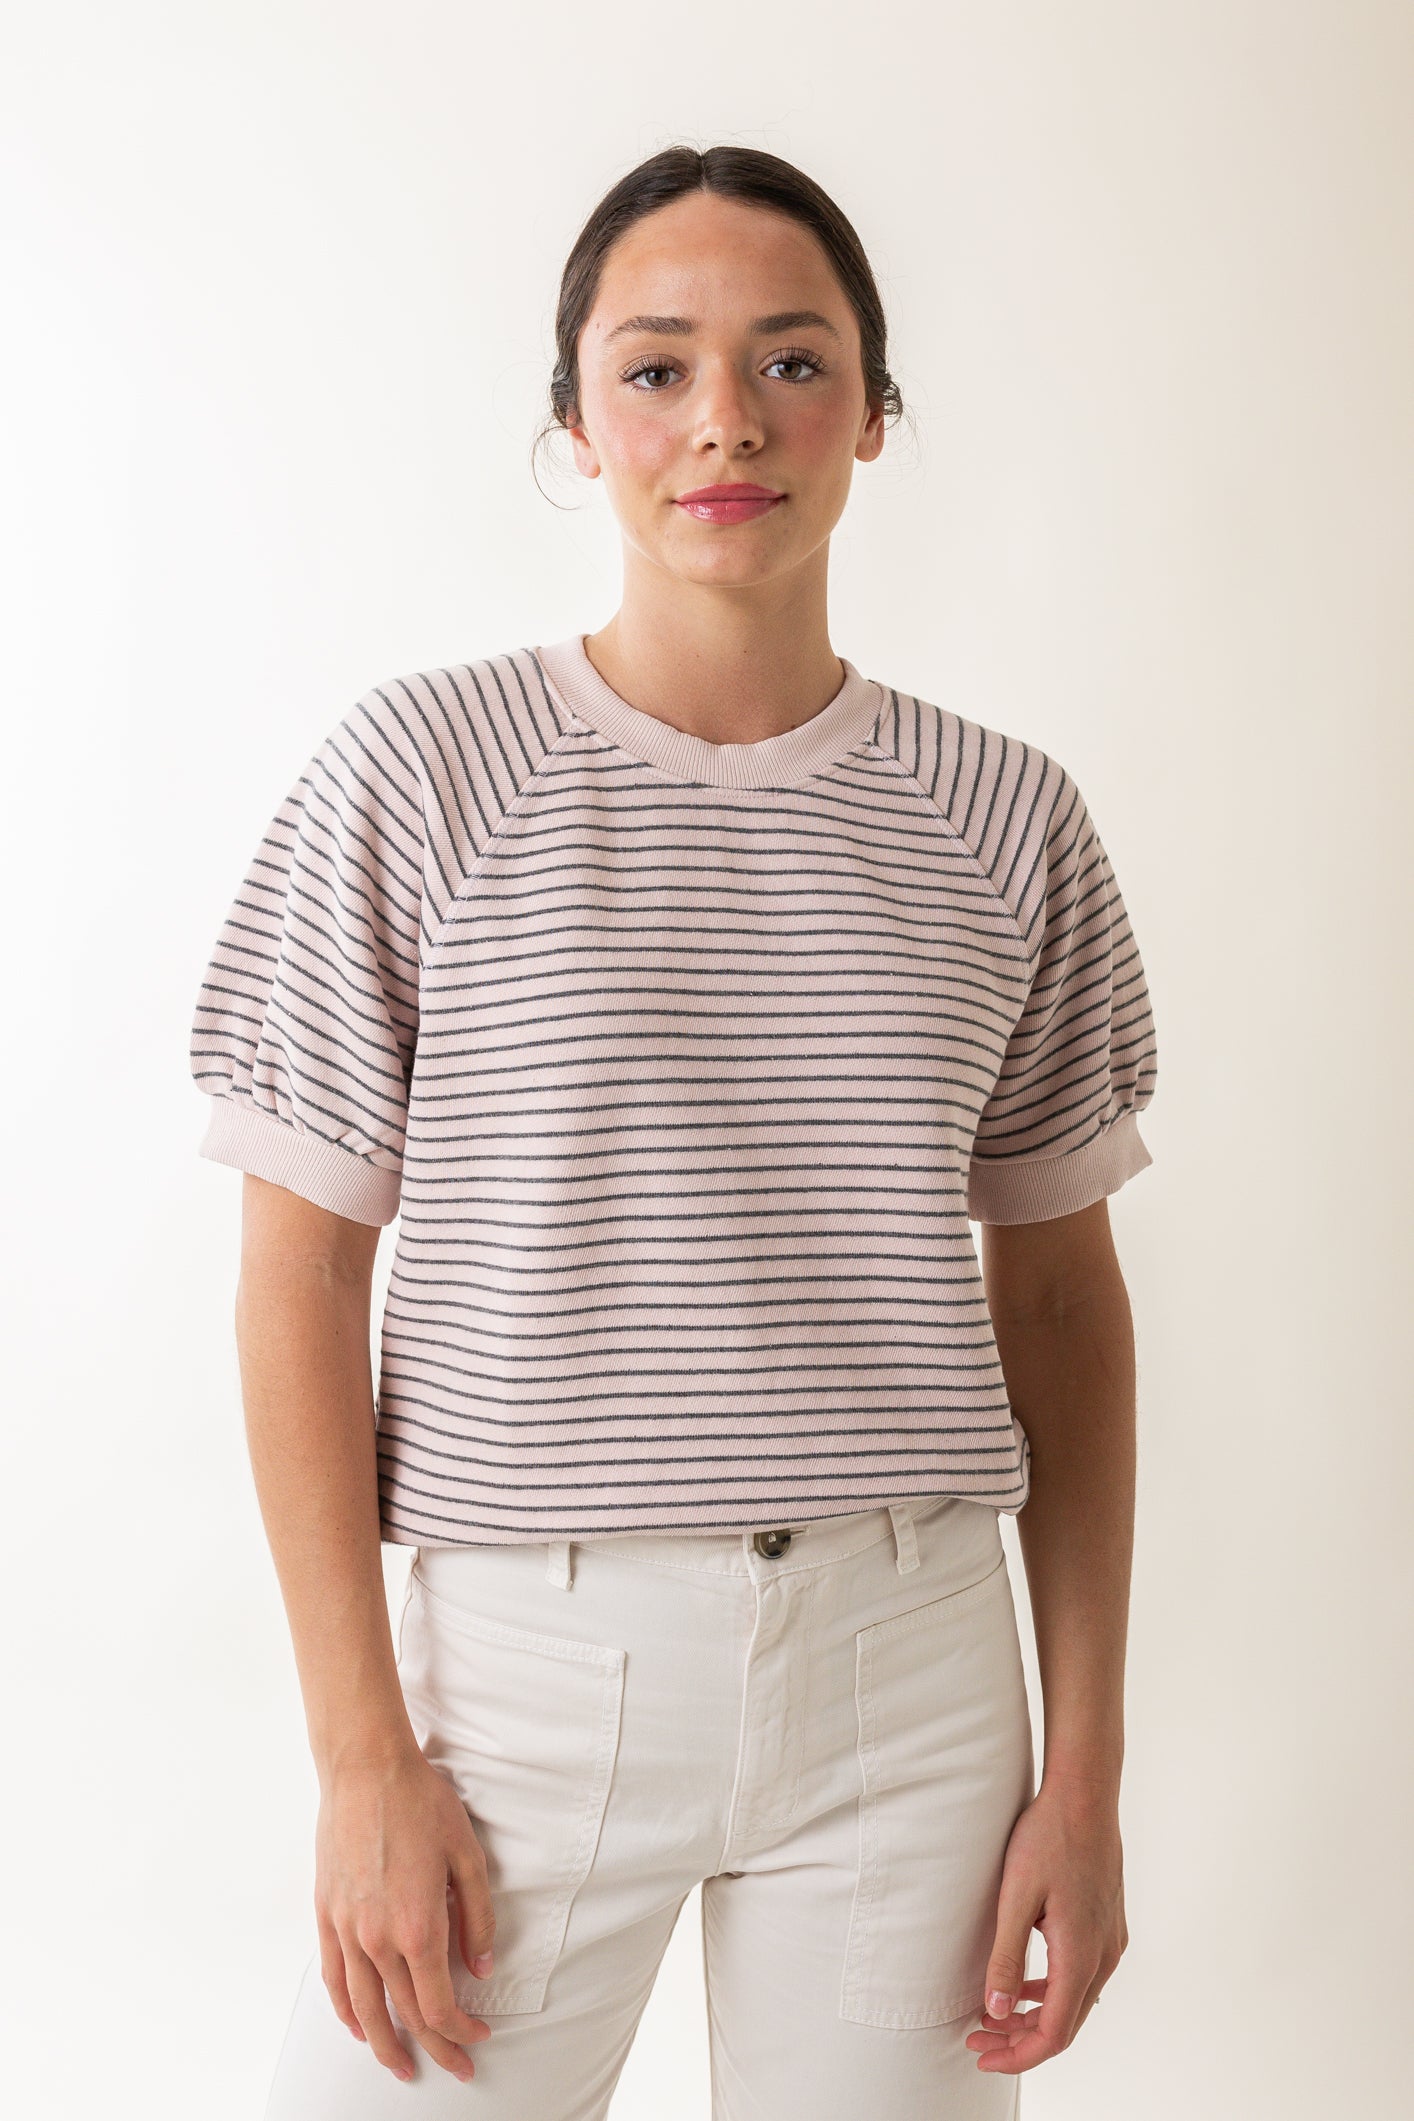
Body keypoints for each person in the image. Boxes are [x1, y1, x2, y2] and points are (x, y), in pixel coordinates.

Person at [189, 143, 1159, 2119]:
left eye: (792, 360)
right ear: (574, 423)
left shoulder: (1006, 818)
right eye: (654, 368)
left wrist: (1085, 1771)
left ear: (872, 413)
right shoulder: (420, 775)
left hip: (909, 1673)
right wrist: (359, 1758)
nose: (725, 418)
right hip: (525, 1677)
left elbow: (1061, 1300)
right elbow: (298, 1273)